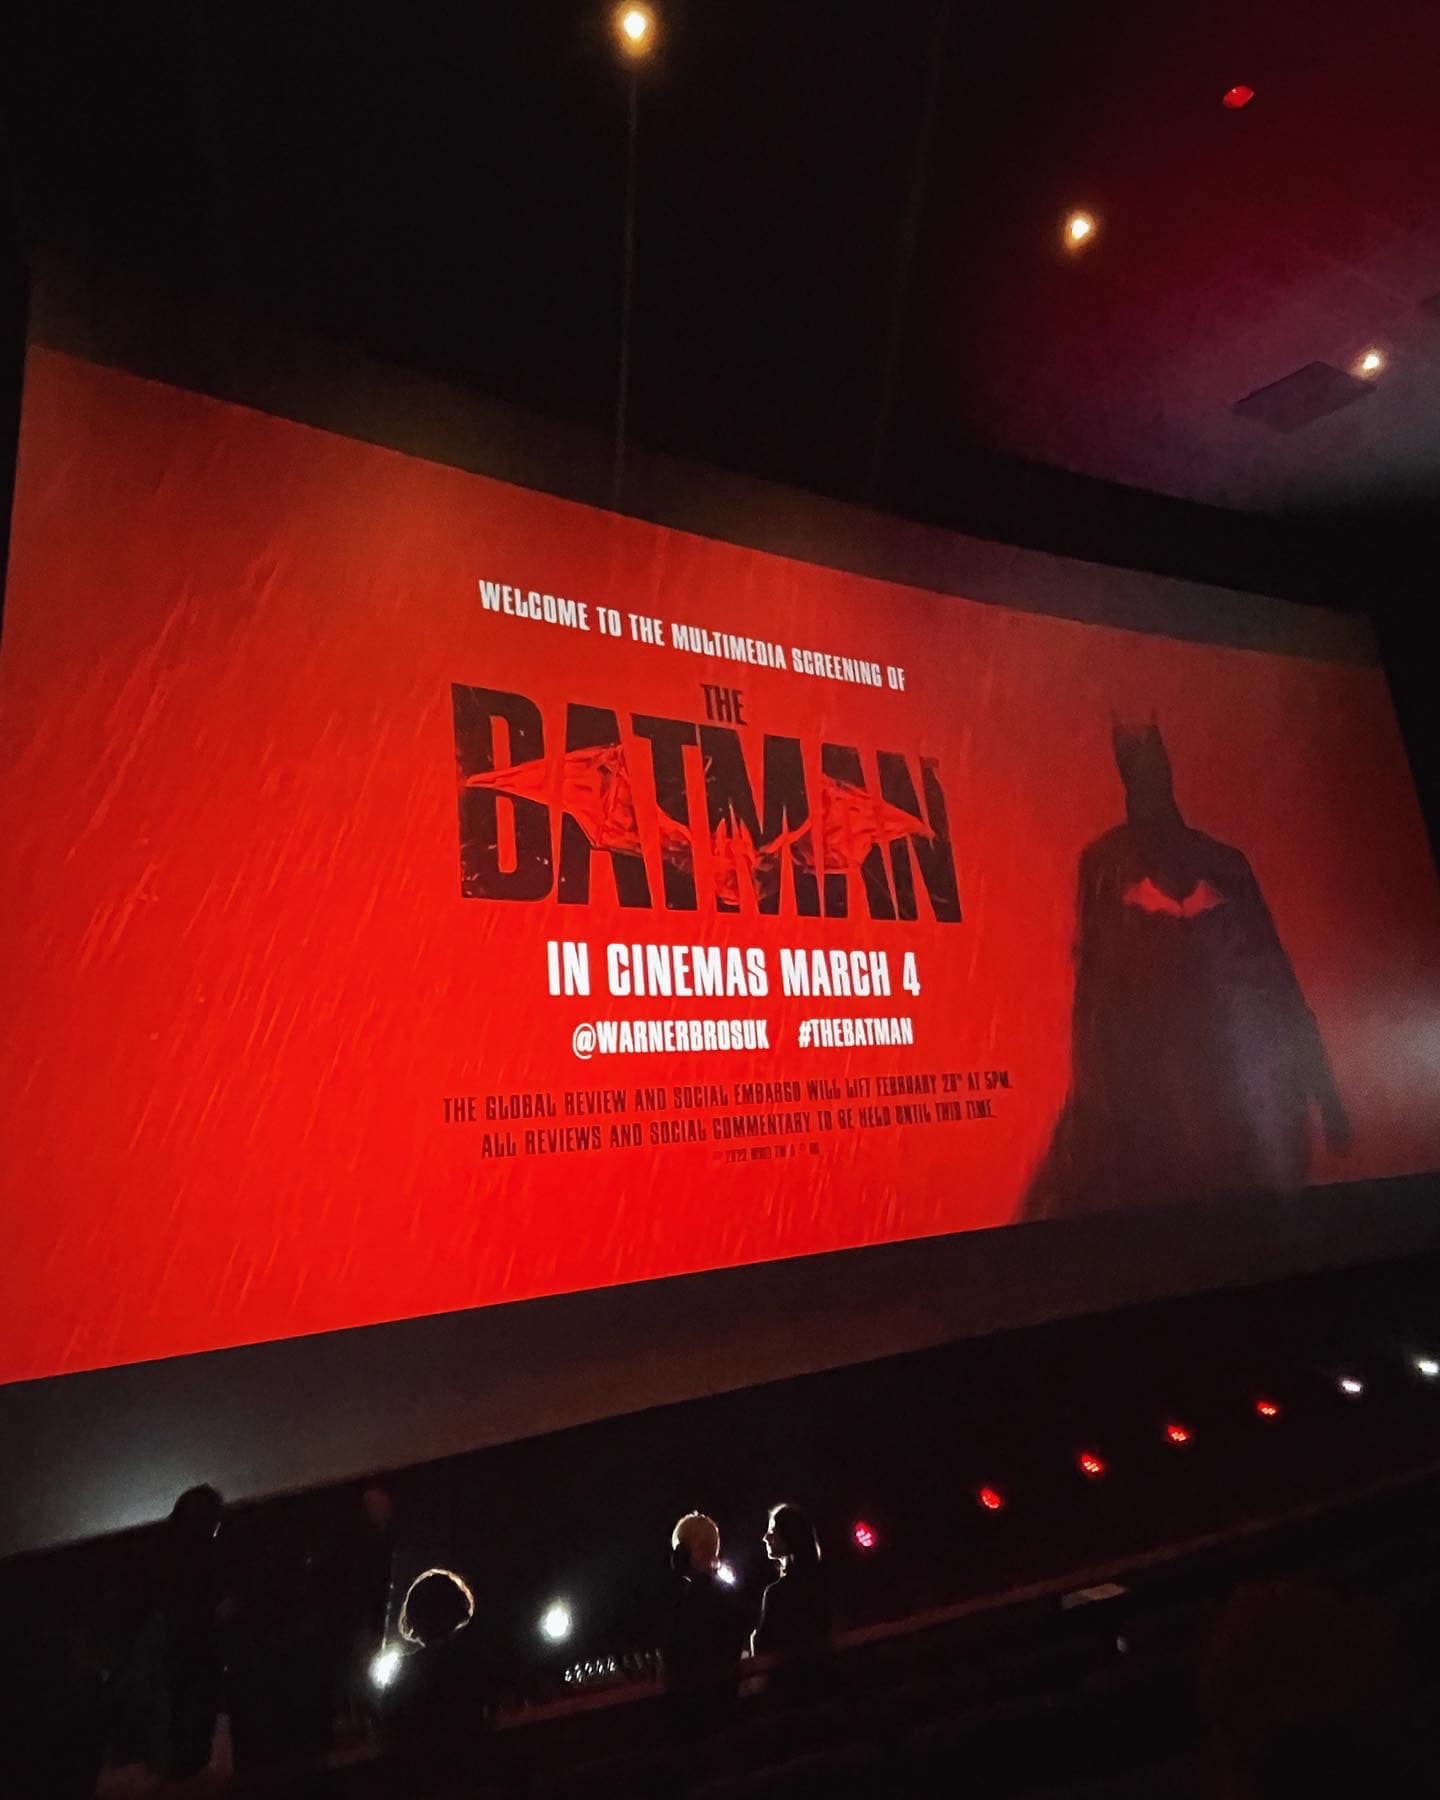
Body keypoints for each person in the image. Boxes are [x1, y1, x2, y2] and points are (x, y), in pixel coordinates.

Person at [662, 1513, 744, 1736]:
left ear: (694, 1551)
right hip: (727, 1708)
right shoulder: (730, 1594)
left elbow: (675, 1656)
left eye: (680, 1548)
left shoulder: (686, 1601)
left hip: (694, 1714)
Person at [751, 1504, 833, 1701]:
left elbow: (763, 1649)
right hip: (821, 1685)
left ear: (788, 1537)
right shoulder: (823, 1585)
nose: (765, 1537)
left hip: (785, 1691)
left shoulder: (777, 1593)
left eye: (772, 1531)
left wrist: (754, 1637)